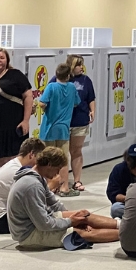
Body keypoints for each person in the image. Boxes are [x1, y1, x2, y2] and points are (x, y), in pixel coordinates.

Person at [8, 147, 119, 251]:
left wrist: (75, 218)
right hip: (28, 234)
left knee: (83, 215)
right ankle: (125, 232)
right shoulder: (32, 185)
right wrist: (71, 222)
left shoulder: (37, 177)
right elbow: (44, 224)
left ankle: (122, 224)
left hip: (38, 223)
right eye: (57, 169)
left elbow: (54, 204)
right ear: (49, 165)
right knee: (79, 233)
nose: (57, 174)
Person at [0, 137, 46, 234]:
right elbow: (32, 200)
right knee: (40, 218)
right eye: (39, 159)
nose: (39, 164)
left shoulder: (14, 165)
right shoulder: (17, 171)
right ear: (31, 155)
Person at [37, 63, 79, 197]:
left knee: (47, 159)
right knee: (63, 159)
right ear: (68, 76)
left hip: (49, 128)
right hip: (64, 128)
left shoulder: (51, 87)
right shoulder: (72, 87)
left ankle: (50, 187)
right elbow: (76, 102)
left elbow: (42, 103)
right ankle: (64, 187)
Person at [67, 55, 95, 194]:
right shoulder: (60, 79)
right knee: (60, 152)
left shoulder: (86, 80)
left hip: (80, 120)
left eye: (82, 64)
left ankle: (77, 180)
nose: (81, 67)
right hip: (63, 121)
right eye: (78, 65)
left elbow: (91, 97)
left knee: (76, 150)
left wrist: (92, 110)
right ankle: (60, 181)